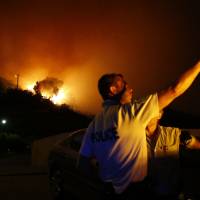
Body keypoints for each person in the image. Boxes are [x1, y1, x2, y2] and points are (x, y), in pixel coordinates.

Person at [77, 61, 200, 199]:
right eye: (124, 83)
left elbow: (82, 164)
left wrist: (106, 177)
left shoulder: (93, 125)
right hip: (136, 192)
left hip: (108, 192)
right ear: (113, 90)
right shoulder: (130, 113)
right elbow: (174, 89)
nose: (130, 88)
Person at [146, 111, 200, 200]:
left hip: (172, 191)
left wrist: (190, 140)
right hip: (148, 192)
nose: (145, 113)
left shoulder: (172, 133)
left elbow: (193, 143)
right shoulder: (136, 137)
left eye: (150, 110)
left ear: (160, 114)